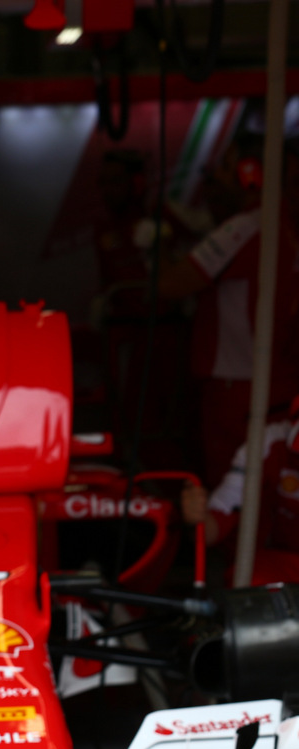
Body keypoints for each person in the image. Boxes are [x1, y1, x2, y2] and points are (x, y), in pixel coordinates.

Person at [159, 138, 299, 484]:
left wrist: (158, 243)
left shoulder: (247, 226)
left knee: (232, 498)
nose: (215, 178)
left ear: (249, 174)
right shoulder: (286, 222)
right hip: (278, 383)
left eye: (224, 168)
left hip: (238, 391)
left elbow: (169, 284)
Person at [181, 401, 299, 585]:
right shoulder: (269, 443)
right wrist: (196, 514)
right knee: (250, 584)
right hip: (281, 567)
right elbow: (212, 525)